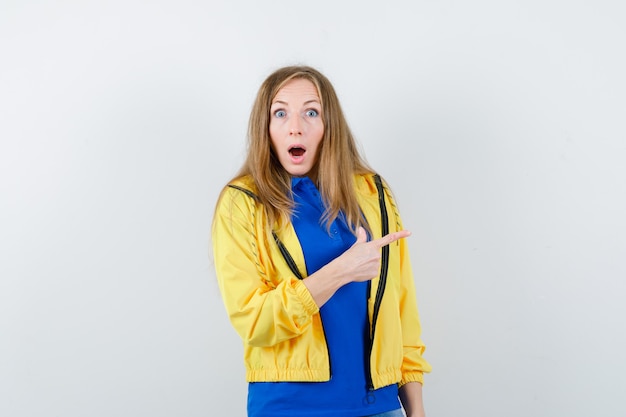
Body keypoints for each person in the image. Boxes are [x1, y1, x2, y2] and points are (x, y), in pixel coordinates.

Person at [211, 65, 431, 417]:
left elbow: (402, 312)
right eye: (280, 113)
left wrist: (416, 412)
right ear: (266, 129)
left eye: (310, 112)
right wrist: (340, 272)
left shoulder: (373, 193)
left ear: (329, 126)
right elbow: (253, 321)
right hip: (290, 408)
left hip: (380, 407)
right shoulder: (242, 203)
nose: (295, 126)